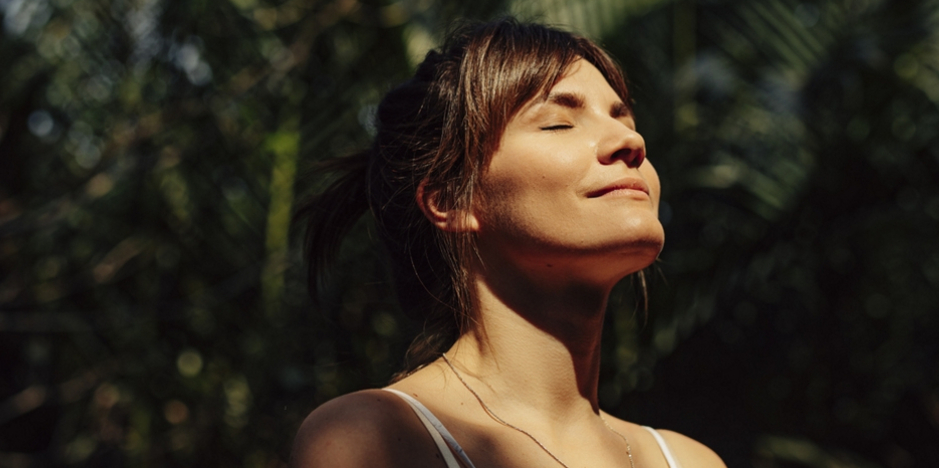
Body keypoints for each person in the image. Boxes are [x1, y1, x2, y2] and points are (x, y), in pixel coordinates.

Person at [291, 18, 726, 468]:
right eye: (559, 123)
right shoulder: (377, 437)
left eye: (623, 117)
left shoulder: (689, 460)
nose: (630, 141)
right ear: (450, 199)